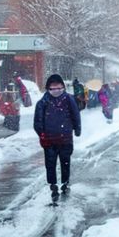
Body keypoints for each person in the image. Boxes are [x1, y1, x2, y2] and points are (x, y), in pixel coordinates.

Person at [34, 74, 82, 203]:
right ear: (48, 88)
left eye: (58, 87)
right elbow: (38, 121)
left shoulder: (69, 100)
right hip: (49, 140)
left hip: (65, 138)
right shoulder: (42, 102)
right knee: (50, 163)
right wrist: (42, 134)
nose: (56, 90)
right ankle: (53, 184)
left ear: (63, 87)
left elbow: (75, 115)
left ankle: (65, 182)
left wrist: (77, 129)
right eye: (53, 88)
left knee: (65, 161)